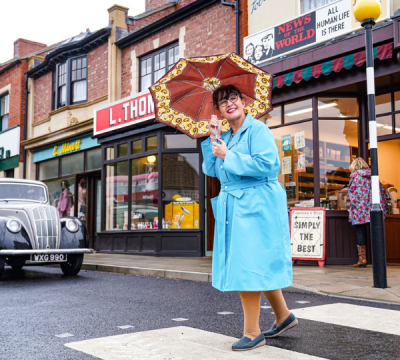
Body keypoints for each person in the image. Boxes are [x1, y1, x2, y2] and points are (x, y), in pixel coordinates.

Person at [202, 85, 296, 351]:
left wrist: (229, 155)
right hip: (237, 205)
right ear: (219, 111)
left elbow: (269, 165)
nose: (229, 104)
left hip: (258, 204)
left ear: (243, 102)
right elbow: (213, 170)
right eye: (222, 102)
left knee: (248, 264)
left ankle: (252, 331)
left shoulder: (258, 130)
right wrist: (214, 141)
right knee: (256, 262)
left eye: (233, 98)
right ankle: (283, 316)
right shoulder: (227, 136)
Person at [348, 157, 386, 267]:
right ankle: (378, 258)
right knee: (375, 231)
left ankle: (362, 259)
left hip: (359, 209)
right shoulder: (373, 175)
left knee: (360, 231)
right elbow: (382, 191)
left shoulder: (354, 175)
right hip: (373, 208)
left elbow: (352, 192)